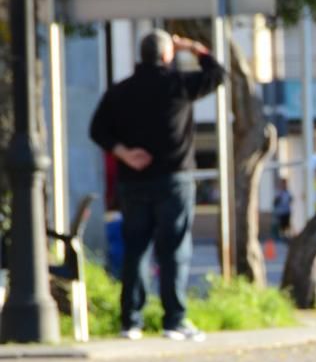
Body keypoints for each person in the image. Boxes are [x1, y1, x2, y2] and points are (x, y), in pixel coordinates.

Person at [89, 30, 225, 341]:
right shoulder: (178, 84)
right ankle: (174, 320)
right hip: (173, 180)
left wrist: (124, 153)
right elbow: (217, 74)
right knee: (173, 249)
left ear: (141, 55)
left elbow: (97, 129)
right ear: (166, 55)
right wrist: (192, 46)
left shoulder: (121, 90)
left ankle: (130, 321)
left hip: (133, 182)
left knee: (135, 250)